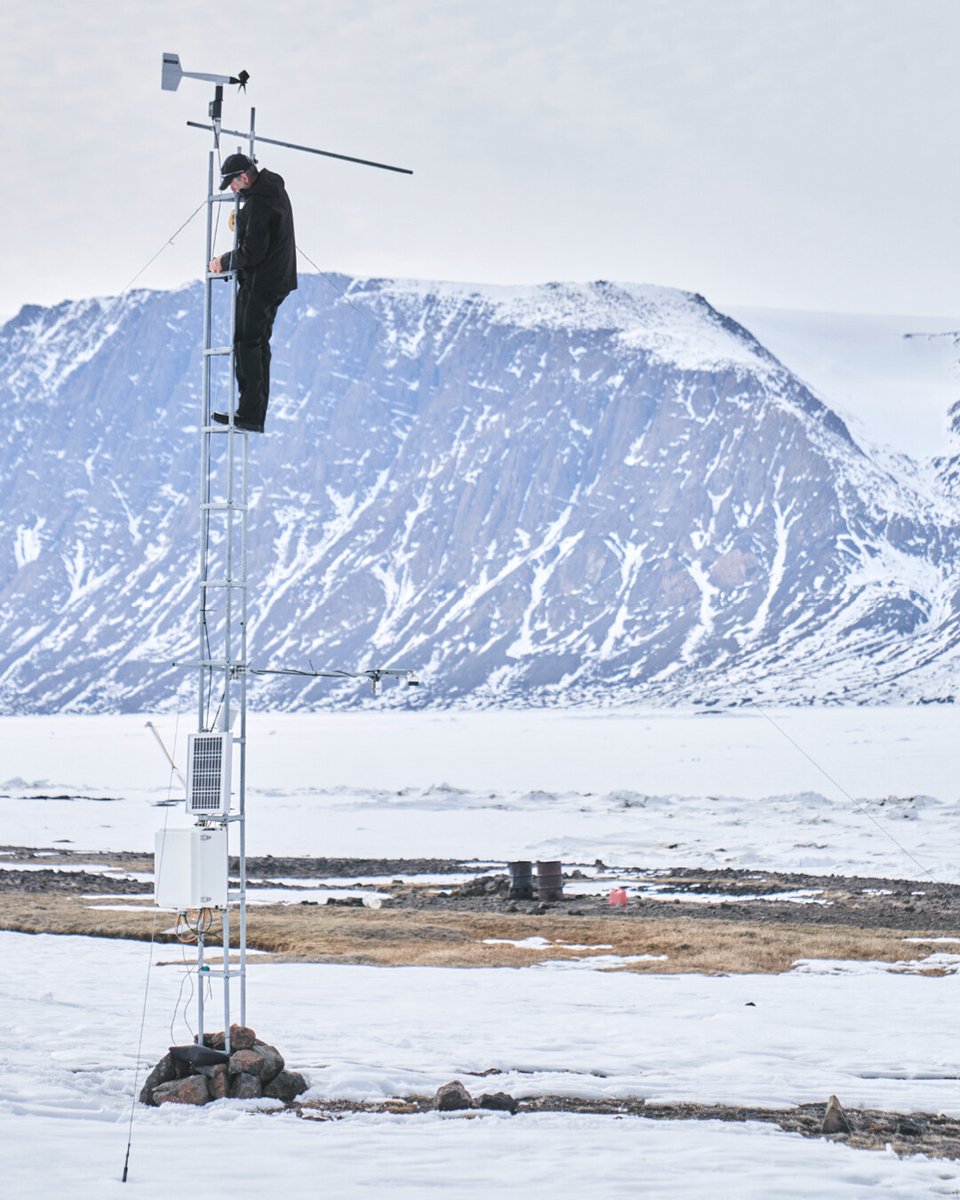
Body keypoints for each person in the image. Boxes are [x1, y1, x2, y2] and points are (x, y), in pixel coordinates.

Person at [209, 153, 297, 433]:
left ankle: (248, 414)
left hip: (261, 283)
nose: (233, 191)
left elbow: (252, 252)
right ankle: (253, 413)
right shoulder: (271, 188)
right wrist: (244, 217)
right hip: (277, 280)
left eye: (233, 185)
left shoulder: (258, 204)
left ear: (244, 177)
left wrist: (223, 261)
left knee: (246, 343)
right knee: (258, 344)